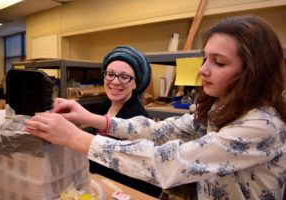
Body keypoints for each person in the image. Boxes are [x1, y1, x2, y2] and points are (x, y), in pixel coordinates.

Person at [24, 15, 286, 199]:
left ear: (253, 71)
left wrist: (75, 137)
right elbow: (161, 131)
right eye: (205, 58)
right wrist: (93, 119)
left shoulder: (261, 125)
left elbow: (169, 163)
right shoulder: (220, 107)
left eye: (218, 62)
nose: (203, 70)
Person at [88, 45, 162, 197]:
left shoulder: (137, 117)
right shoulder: (104, 105)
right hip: (102, 184)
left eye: (124, 76)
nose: (115, 82)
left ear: (136, 83)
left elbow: (136, 173)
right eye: (110, 74)